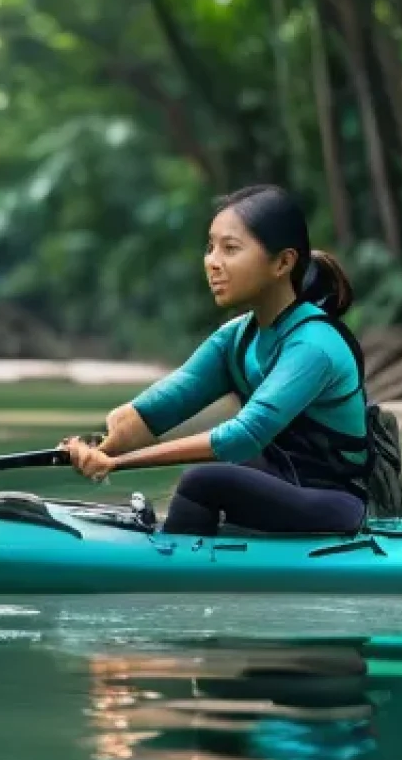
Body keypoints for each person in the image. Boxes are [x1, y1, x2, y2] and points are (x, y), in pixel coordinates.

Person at [61, 183, 372, 536]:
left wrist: (115, 464)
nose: (213, 262)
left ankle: (174, 570)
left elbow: (242, 436)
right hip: (276, 485)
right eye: (210, 247)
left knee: (202, 482)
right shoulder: (236, 338)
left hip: (331, 502)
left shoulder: (314, 344)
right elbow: (152, 413)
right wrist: (97, 449)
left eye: (230, 249)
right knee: (215, 477)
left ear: (283, 262)